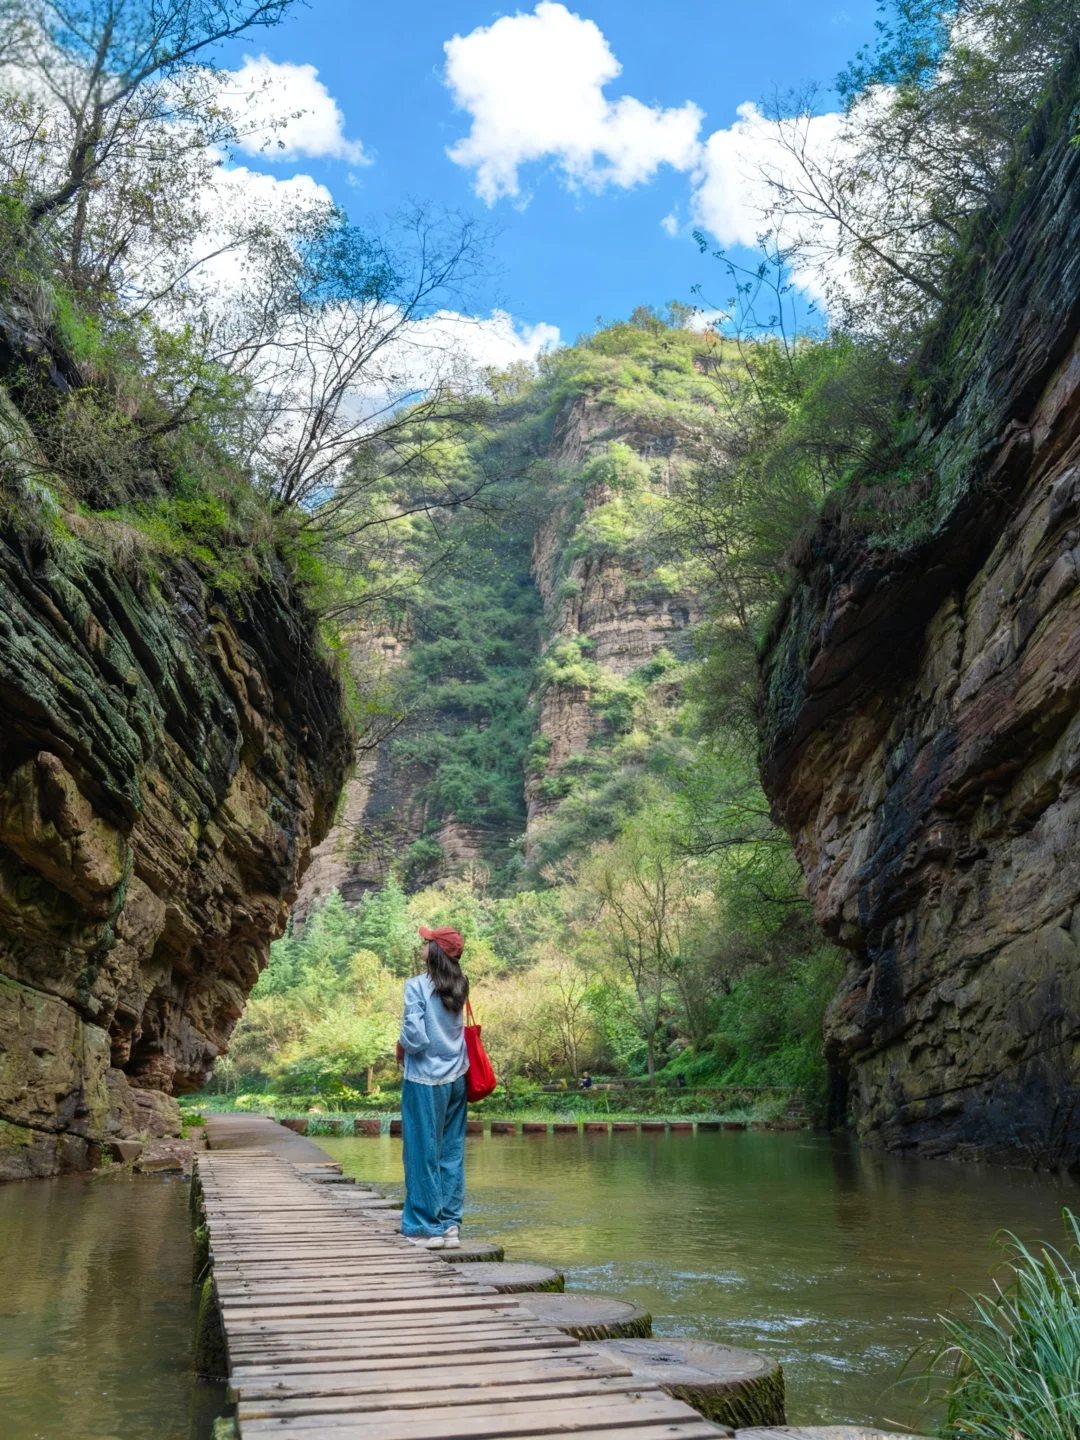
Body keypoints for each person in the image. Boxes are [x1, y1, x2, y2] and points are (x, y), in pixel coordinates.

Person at [396, 924, 469, 1250]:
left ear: (435, 950)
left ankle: (426, 1229)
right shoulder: (460, 984)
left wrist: (400, 1045)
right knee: (450, 1153)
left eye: (426, 941)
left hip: (425, 1079)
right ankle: (450, 1226)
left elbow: (415, 1037)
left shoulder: (416, 986)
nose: (421, 944)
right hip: (457, 1077)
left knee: (421, 1152)